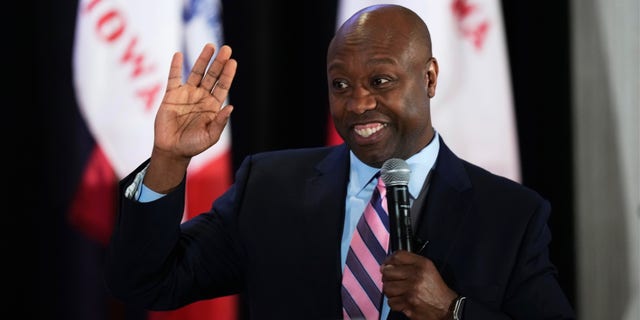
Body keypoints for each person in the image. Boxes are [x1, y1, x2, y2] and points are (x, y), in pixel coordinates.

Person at [105, 4, 575, 320]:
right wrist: (169, 158)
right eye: (341, 86)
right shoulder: (269, 188)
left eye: (381, 81)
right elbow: (146, 283)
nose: (358, 104)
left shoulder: (510, 215)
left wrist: (453, 310)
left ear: (429, 78)